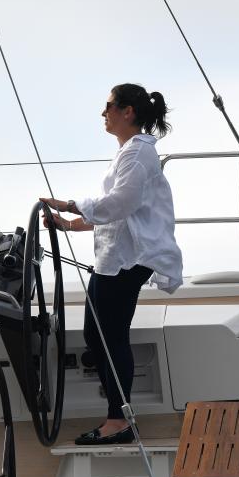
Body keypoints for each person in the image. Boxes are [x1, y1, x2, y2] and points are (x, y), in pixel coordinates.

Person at [42, 83, 182, 445]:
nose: (103, 113)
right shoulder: (129, 152)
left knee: (110, 336)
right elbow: (114, 211)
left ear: (127, 111)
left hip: (127, 260)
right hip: (116, 259)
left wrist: (70, 205)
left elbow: (120, 204)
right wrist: (69, 224)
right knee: (97, 335)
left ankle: (119, 421)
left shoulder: (138, 153)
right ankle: (118, 416)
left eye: (108, 107)